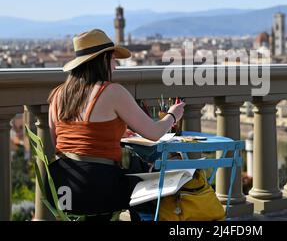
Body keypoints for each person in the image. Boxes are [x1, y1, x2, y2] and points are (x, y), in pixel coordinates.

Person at [47, 28, 185, 220]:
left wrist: (113, 133)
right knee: (150, 188)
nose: (116, 66)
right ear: (102, 60)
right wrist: (173, 115)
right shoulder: (111, 92)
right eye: (113, 59)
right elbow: (154, 133)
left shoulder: (57, 95)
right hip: (98, 188)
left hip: (62, 188)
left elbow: (62, 143)